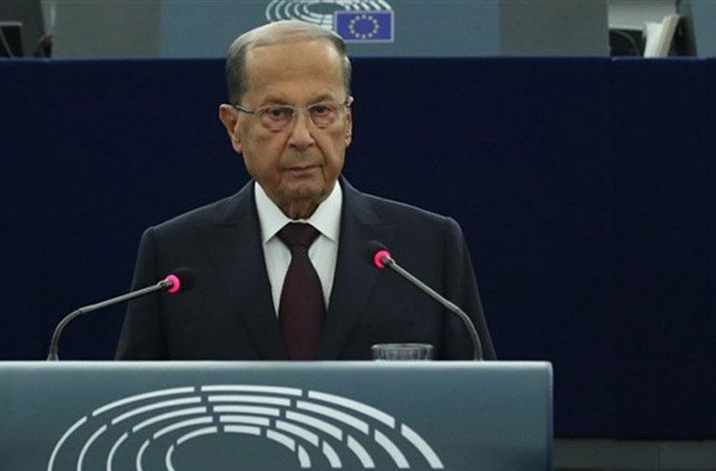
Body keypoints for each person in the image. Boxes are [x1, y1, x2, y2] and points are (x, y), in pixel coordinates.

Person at [115, 20, 495, 360]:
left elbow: (479, 402)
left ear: (348, 122)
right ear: (234, 127)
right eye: (277, 114)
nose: (302, 137)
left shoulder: (429, 248)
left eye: (321, 111)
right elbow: (134, 403)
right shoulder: (176, 255)